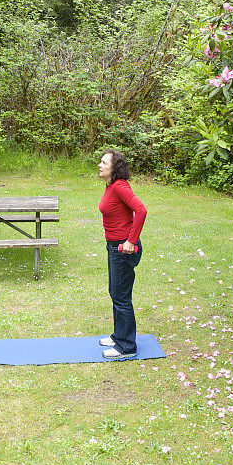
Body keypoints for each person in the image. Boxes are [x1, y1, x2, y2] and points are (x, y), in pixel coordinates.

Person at [97, 149, 147, 359]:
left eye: (103, 162)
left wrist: (131, 241)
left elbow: (141, 210)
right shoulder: (110, 186)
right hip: (114, 246)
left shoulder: (120, 187)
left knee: (122, 297)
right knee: (115, 293)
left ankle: (127, 346)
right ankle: (119, 335)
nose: (99, 165)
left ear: (114, 168)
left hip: (123, 249)